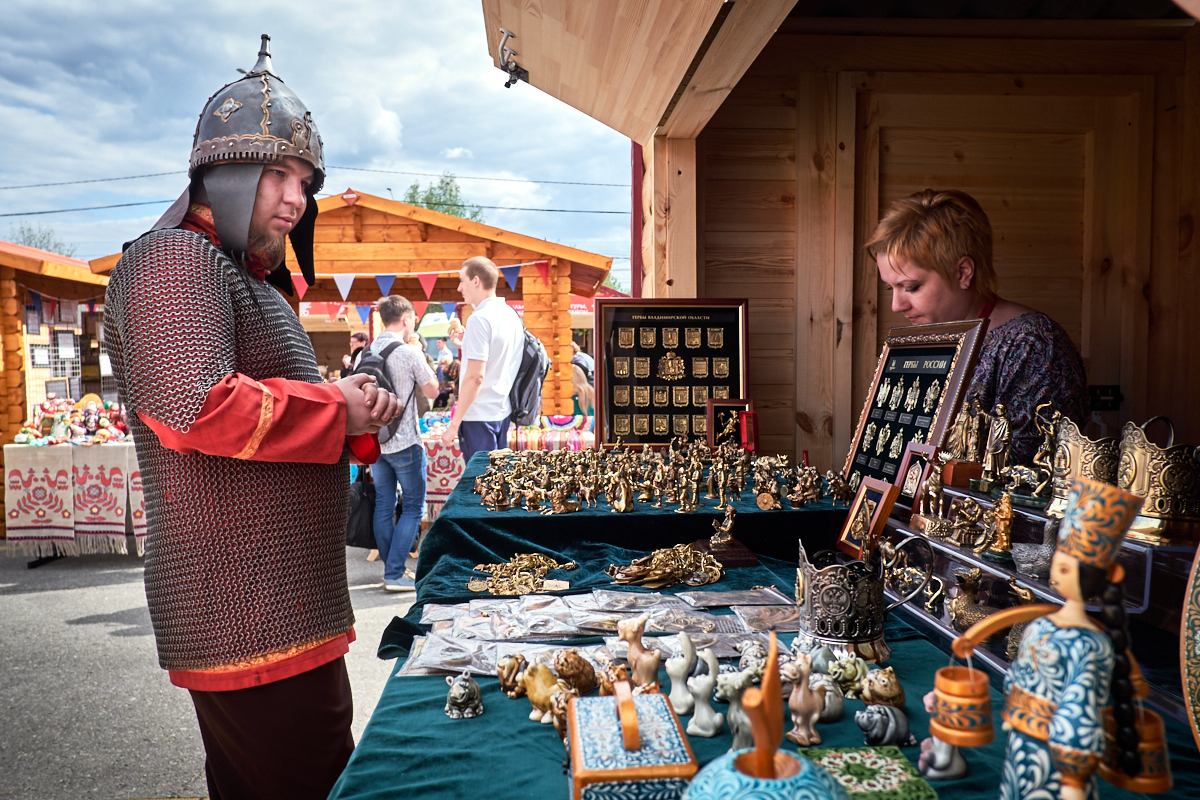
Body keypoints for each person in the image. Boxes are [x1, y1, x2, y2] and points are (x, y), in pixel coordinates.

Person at [101, 36, 400, 800]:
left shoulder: (250, 281)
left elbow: (263, 409)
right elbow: (196, 405)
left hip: (283, 601)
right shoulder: (173, 261)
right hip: (243, 607)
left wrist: (356, 412)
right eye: (277, 174)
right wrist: (337, 404)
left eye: (303, 180)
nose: (296, 199)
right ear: (224, 172)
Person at [867, 189, 1088, 465]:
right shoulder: (927, 340)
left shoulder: (1033, 344)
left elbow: (1026, 477)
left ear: (963, 273)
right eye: (891, 288)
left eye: (911, 287)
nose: (896, 305)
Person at [996, 478, 1143, 800]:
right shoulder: (1041, 625)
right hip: (1024, 734)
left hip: (1056, 755)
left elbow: (1081, 711)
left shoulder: (1090, 645)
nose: (1055, 570)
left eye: (1065, 566)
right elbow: (1018, 675)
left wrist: (1074, 777)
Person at [368, 296, 438, 592]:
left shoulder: (367, 351)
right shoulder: (410, 352)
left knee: (384, 504)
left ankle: (390, 568)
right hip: (406, 440)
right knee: (412, 506)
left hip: (375, 441)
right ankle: (394, 573)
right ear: (407, 318)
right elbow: (433, 389)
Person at [440, 256, 525, 462]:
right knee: (496, 485)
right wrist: (465, 345)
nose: (460, 288)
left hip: (479, 416)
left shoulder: (479, 318)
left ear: (476, 281)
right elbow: (499, 356)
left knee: (482, 488)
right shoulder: (511, 315)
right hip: (501, 411)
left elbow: (475, 378)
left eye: (462, 280)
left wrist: (454, 425)